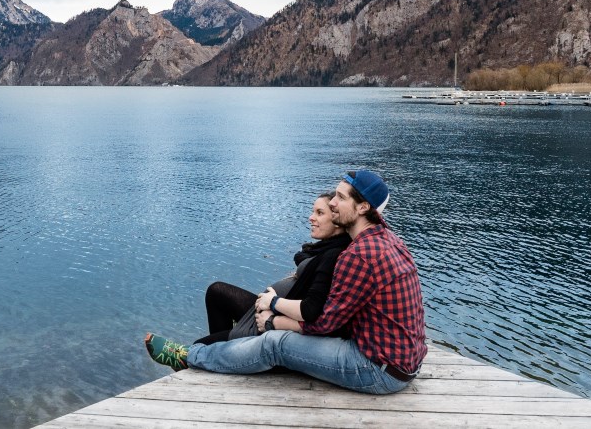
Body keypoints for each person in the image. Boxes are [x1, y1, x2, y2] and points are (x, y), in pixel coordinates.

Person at [144, 169, 426, 395]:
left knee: (274, 345)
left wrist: (272, 318)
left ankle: (189, 357)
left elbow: (323, 322)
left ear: (363, 206)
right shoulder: (386, 238)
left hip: (376, 369)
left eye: (340, 197)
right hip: (400, 361)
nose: (332, 202)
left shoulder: (360, 254)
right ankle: (206, 358)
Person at [193, 192, 351, 345]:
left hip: (273, 321)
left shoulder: (332, 256)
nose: (311, 217)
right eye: (313, 211)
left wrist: (273, 303)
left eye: (319, 213)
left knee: (200, 346)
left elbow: (311, 310)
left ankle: (223, 349)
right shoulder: (325, 249)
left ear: (337, 220)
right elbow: (303, 258)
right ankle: (225, 351)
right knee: (216, 292)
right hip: (272, 311)